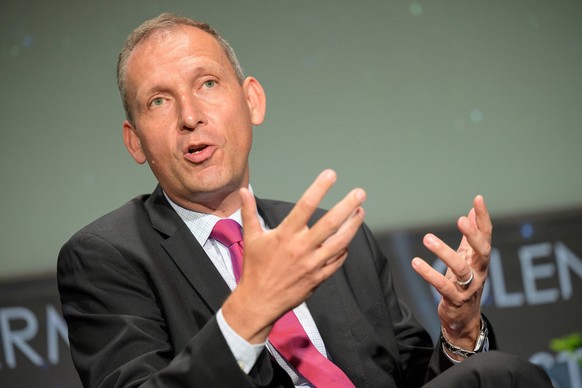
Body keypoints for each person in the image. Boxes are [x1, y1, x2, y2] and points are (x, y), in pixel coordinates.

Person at [57, 13, 552, 388]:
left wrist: (460, 334)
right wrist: (250, 311)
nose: (190, 115)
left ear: (252, 101)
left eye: (207, 84)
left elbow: (414, 378)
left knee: (496, 373)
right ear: (135, 141)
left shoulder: (330, 235)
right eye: (158, 101)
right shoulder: (107, 256)